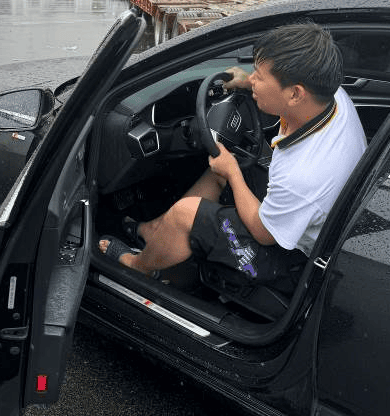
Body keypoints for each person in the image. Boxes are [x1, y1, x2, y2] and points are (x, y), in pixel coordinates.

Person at [99, 22, 367, 289]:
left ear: (295, 94)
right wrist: (248, 84)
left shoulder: (304, 175)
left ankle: (137, 266)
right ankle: (154, 229)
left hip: (290, 256)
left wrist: (233, 174)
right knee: (225, 166)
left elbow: (263, 234)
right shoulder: (330, 96)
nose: (253, 79)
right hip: (308, 216)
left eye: (260, 77)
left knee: (187, 211)